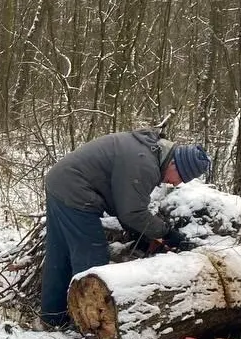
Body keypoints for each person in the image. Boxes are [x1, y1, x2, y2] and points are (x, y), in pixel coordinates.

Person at [40, 129, 211, 328]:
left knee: (59, 254)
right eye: (180, 177)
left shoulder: (147, 152)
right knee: (92, 259)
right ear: (173, 164)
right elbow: (132, 212)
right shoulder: (145, 164)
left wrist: (141, 233)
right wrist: (167, 234)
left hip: (61, 182)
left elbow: (123, 202)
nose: (175, 183)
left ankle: (52, 319)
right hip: (75, 192)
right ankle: (89, 327)